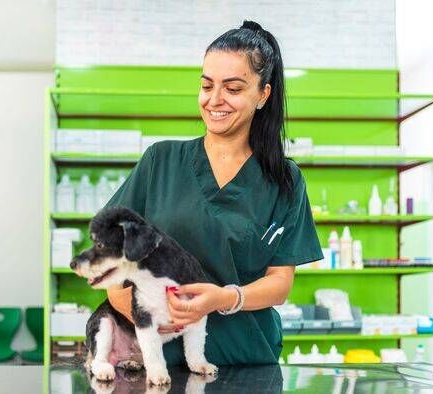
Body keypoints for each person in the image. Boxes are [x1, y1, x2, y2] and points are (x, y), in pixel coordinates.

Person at [104, 20, 322, 365]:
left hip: (246, 358)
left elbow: (280, 283)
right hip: (165, 361)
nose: (214, 100)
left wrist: (225, 297)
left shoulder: (284, 180)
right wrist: (130, 307)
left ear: (263, 94)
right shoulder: (160, 161)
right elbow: (110, 248)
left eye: (233, 89)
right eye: (207, 86)